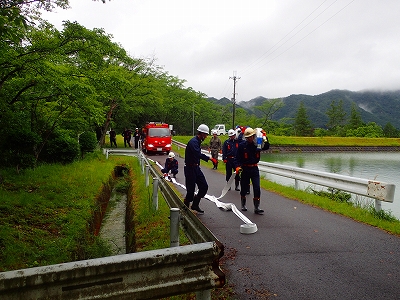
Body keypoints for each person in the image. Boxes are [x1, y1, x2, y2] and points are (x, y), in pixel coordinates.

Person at [184, 124, 218, 214]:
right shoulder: (193, 142)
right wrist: (209, 158)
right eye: (206, 134)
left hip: (196, 168)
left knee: (204, 186)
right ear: (202, 133)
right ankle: (185, 209)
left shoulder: (198, 142)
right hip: (190, 168)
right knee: (190, 191)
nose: (206, 136)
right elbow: (197, 154)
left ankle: (195, 204)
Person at [234, 127, 270, 214]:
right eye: (248, 137)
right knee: (244, 188)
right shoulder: (242, 145)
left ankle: (257, 207)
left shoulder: (257, 144)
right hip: (245, 168)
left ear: (254, 136)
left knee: (257, 187)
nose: (250, 138)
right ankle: (243, 204)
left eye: (251, 136)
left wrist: (265, 137)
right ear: (245, 138)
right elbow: (237, 158)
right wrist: (237, 167)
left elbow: (267, 147)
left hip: (254, 169)